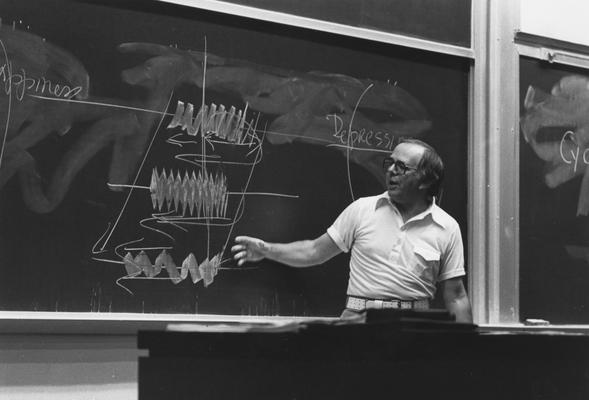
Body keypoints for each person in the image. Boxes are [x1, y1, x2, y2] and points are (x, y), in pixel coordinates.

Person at [231, 138, 473, 323]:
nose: (390, 171)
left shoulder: (447, 227)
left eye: (402, 167)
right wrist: (266, 250)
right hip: (358, 320)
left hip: (414, 327)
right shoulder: (362, 210)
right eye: (389, 164)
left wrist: (466, 354)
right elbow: (315, 251)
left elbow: (456, 295)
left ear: (425, 180)